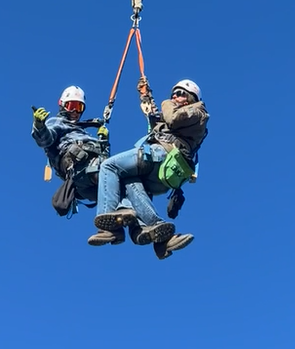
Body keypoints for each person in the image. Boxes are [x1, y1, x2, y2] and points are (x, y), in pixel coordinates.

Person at [88, 78, 208, 259]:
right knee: (130, 181)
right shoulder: (183, 115)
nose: (175, 96)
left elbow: (172, 118)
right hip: (163, 172)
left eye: (181, 93)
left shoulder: (198, 112)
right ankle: (161, 235)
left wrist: (167, 102)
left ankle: (109, 226)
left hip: (161, 156)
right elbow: (158, 121)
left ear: (192, 98)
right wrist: (146, 96)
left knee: (109, 166)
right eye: (173, 93)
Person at [32, 86, 108, 215]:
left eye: (79, 107)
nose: (75, 111)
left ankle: (134, 226)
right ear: (62, 105)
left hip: (90, 175)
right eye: (71, 105)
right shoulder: (57, 122)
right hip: (82, 168)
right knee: (114, 175)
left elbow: (104, 155)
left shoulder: (81, 131)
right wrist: (39, 127)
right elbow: (45, 140)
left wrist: (104, 142)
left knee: (123, 190)